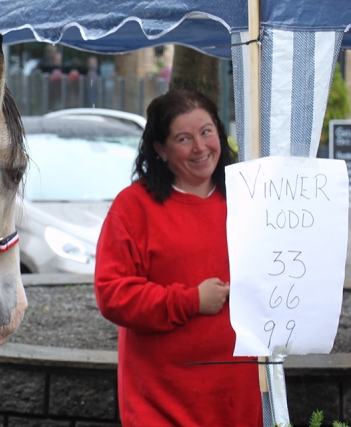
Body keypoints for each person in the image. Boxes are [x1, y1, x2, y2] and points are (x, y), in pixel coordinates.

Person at [94, 89, 262, 427]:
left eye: (206, 132)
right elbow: (113, 295)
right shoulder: (133, 207)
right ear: (160, 149)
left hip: (238, 399)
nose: (200, 148)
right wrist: (190, 300)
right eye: (184, 139)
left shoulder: (250, 197)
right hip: (160, 402)